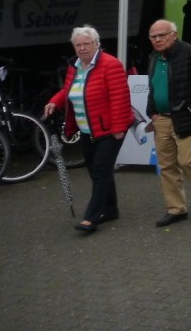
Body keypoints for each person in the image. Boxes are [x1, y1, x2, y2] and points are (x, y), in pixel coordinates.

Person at [43, 26, 130, 234]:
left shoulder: (110, 64)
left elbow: (120, 98)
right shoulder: (74, 66)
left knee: (100, 171)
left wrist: (118, 128)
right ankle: (110, 209)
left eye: (86, 44)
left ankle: (91, 217)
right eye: (78, 45)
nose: (82, 48)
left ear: (96, 44)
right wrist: (55, 101)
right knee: (96, 171)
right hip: (86, 130)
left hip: (109, 130)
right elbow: (69, 90)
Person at [144, 19, 191, 226]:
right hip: (162, 119)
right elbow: (153, 86)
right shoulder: (154, 57)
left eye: (162, 35)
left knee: (187, 161)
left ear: (174, 35)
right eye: (153, 37)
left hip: (187, 117)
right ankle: (176, 208)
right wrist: (152, 112)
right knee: (166, 165)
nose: (157, 40)